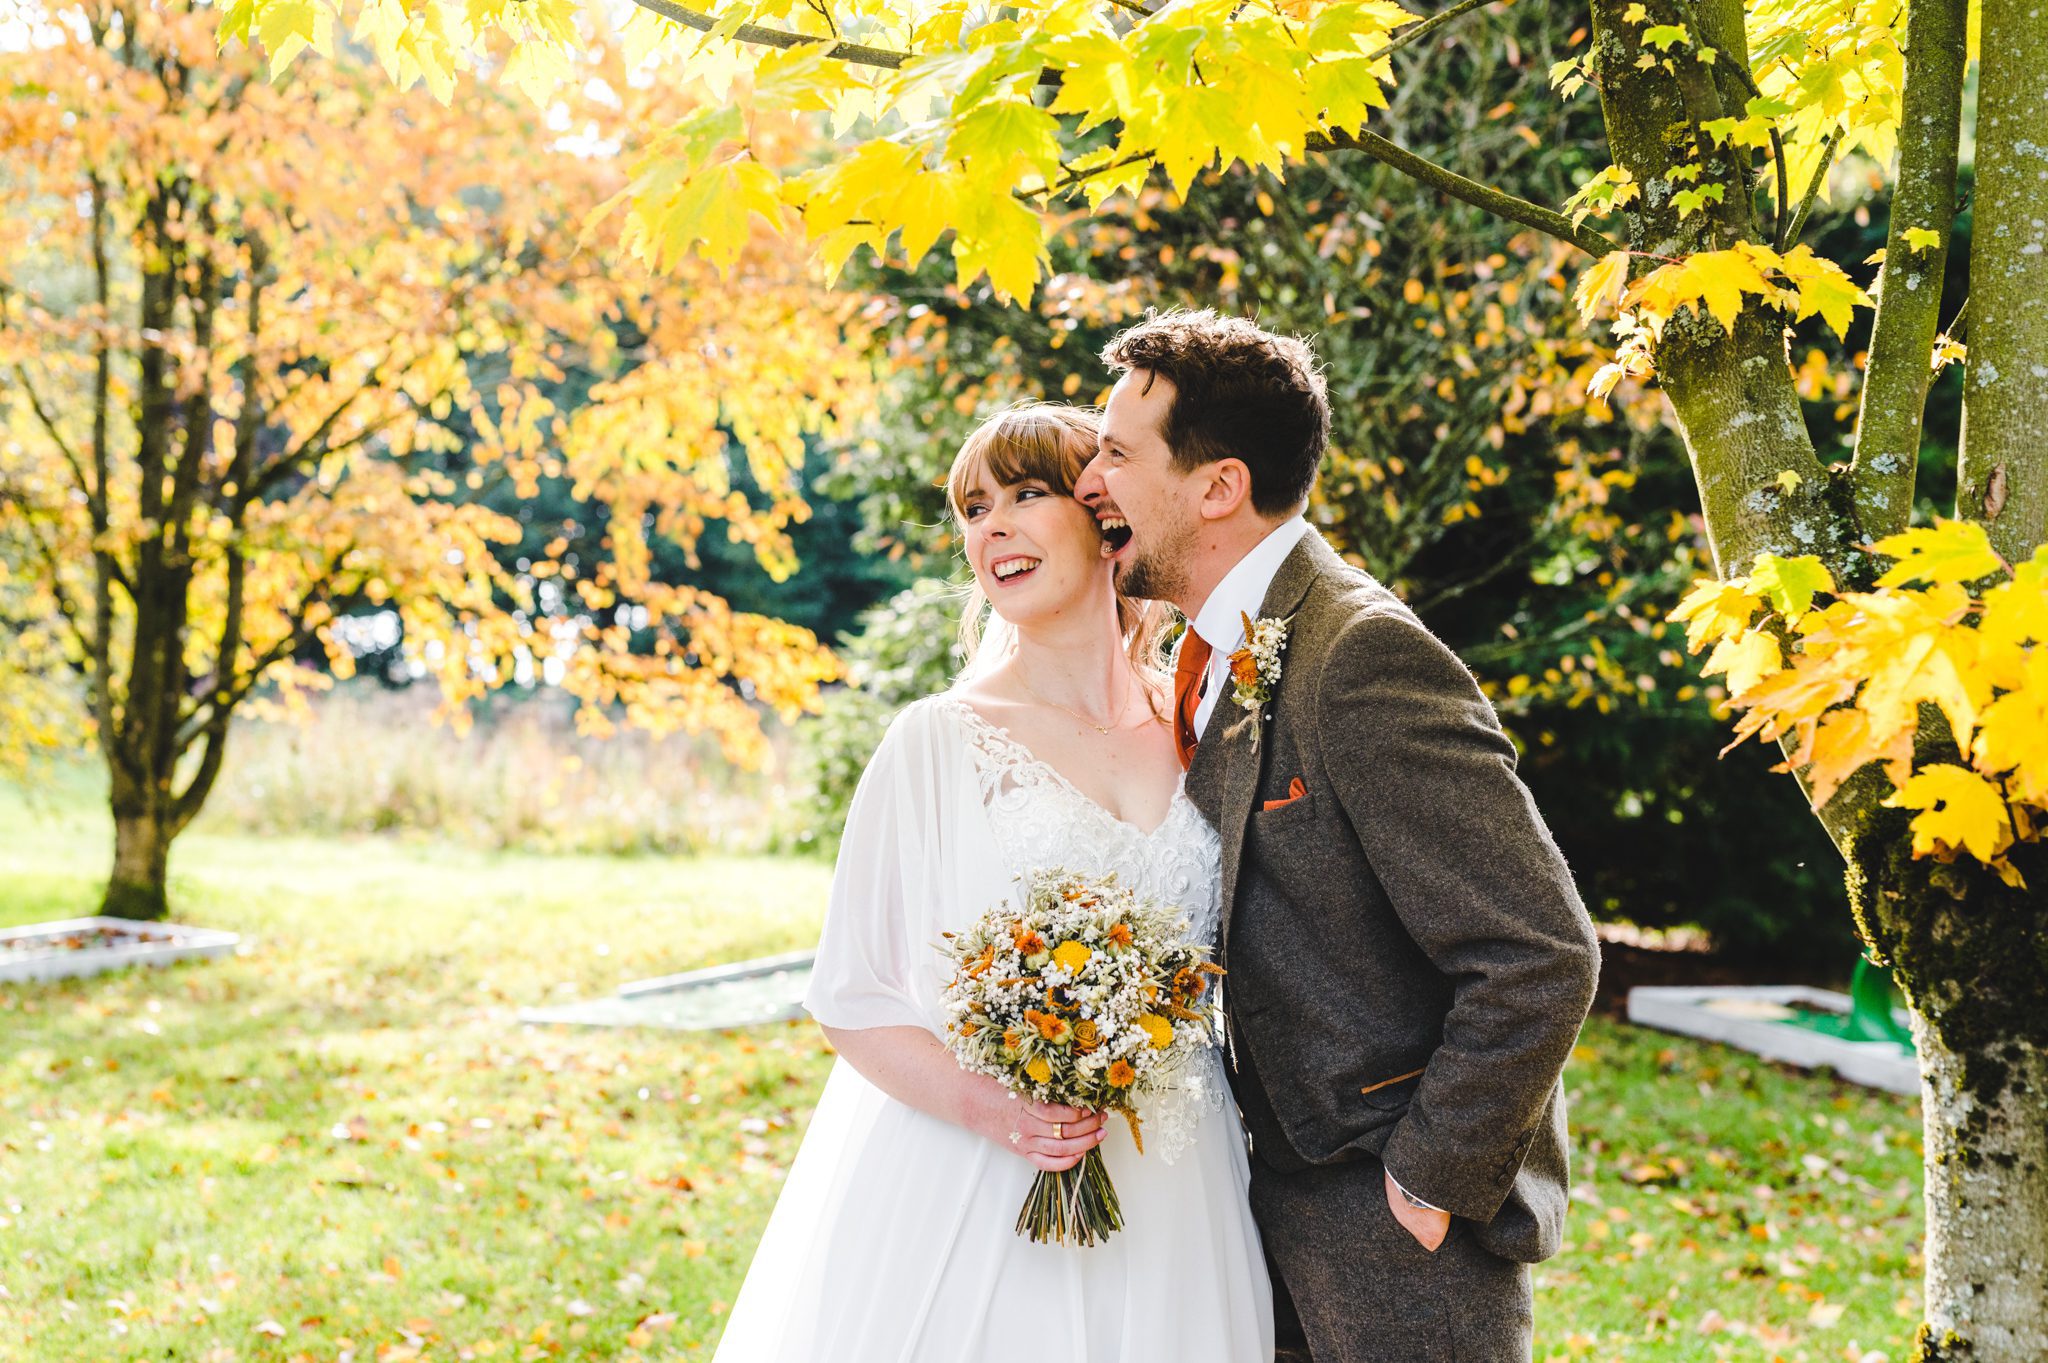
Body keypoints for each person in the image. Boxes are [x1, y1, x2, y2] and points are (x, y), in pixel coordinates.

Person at [1074, 309, 1602, 1363]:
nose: (1090, 479)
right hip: (1259, 1202)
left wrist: (1424, 1177)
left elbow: (1540, 955)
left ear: (1216, 486)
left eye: (1117, 453)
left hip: (1392, 1227)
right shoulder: (1220, 648)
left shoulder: (1359, 656)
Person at [711, 403, 1274, 1363]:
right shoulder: (932, 743)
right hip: (978, 1178)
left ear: (1106, 518)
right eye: (974, 510)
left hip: (1179, 1179)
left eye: (1025, 494)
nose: (992, 527)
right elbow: (850, 995)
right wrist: (1005, 1113)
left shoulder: (1199, 724)